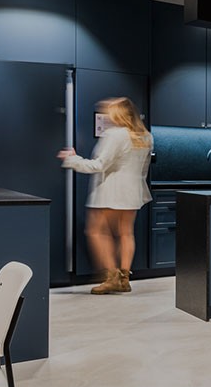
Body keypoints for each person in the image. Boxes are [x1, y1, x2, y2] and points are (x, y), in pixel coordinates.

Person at [58, 97, 153, 295]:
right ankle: (124, 279)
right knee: (126, 234)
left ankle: (112, 277)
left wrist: (72, 159)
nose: (106, 115)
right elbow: (143, 170)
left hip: (111, 191)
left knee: (96, 231)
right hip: (133, 191)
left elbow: (99, 165)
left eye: (108, 111)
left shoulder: (115, 134)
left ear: (118, 114)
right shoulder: (145, 136)